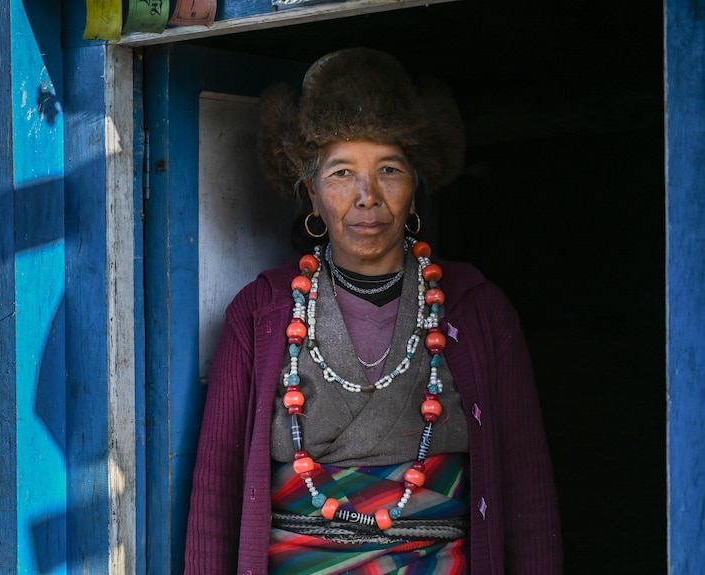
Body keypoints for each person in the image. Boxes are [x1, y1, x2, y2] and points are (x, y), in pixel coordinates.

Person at [184, 47, 562, 575]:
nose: (367, 196)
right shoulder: (261, 312)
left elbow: (528, 496)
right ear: (311, 193)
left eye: (389, 168)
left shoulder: (479, 310)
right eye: (341, 172)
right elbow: (214, 497)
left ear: (415, 187)